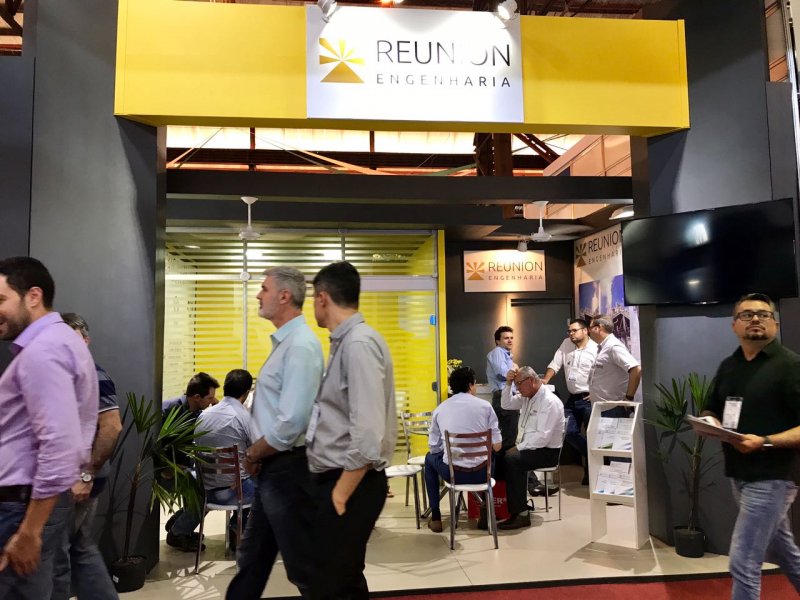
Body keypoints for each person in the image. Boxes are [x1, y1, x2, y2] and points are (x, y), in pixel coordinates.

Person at [0, 257, 97, 599]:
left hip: (21, 507)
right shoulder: (60, 341)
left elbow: (58, 444)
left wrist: (29, 531)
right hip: (31, 503)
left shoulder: (43, 351)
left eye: (1, 299)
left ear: (33, 296)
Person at [226, 267, 323, 600]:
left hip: (288, 470)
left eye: (264, 289)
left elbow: (292, 421)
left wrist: (255, 452)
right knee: (252, 560)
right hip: (275, 469)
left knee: (305, 568)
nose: (258, 295)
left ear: (284, 296)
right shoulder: (287, 344)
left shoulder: (301, 346)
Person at [306, 261, 396, 599]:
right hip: (341, 478)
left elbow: (368, 431)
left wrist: (340, 494)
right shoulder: (346, 342)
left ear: (323, 298)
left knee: (334, 583)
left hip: (351, 482)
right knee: (341, 580)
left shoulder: (358, 344)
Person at [702, 293, 800, 599]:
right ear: (734, 325)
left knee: (743, 561)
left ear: (775, 324)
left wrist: (765, 442)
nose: (755, 319)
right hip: (739, 474)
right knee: (784, 552)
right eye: (747, 315)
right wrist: (711, 423)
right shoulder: (729, 366)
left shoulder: (791, 366)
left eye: (763, 314)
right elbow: (710, 407)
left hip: (774, 476)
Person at [51, 313, 122, 600]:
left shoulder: (93, 374)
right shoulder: (66, 375)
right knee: (79, 547)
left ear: (86, 340)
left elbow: (112, 427)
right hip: (68, 478)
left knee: (58, 554)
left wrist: (86, 474)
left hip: (78, 479)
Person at [424, 366, 502, 533]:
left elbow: (433, 448)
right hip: (482, 474)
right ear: (470, 385)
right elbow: (497, 445)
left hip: (454, 475)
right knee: (493, 456)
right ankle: (485, 510)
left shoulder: (440, 409)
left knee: (429, 459)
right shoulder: (486, 406)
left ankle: (436, 517)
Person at [193, 369, 258, 552]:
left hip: (206, 490)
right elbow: (256, 451)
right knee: (263, 483)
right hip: (235, 492)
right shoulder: (244, 417)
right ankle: (239, 528)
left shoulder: (203, 415)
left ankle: (237, 527)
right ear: (246, 393)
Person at [498, 366, 564, 530]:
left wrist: (518, 448)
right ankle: (503, 506)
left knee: (512, 460)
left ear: (532, 380)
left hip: (547, 452)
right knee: (498, 454)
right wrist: (508, 383)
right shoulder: (527, 398)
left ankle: (520, 514)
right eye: (515, 384)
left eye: (519, 383)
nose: (517, 388)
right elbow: (506, 404)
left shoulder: (549, 401)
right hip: (531, 447)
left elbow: (542, 438)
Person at [162, 372, 219, 552]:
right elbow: (153, 442)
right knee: (207, 495)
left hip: (185, 467)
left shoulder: (197, 413)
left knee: (210, 488)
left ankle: (179, 523)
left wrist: (217, 409)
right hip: (165, 470)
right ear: (196, 397)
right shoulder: (169, 409)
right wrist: (166, 467)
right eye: (210, 397)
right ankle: (178, 532)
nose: (212, 401)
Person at [542, 318, 598, 486]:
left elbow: (604, 373)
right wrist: (545, 380)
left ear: (585, 331)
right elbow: (555, 364)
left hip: (589, 399)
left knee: (594, 437)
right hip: (573, 398)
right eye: (569, 331)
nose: (571, 334)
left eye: (574, 330)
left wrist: (596, 392)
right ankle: (590, 455)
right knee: (567, 431)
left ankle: (592, 474)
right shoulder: (566, 344)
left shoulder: (596, 348)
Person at [587, 315, 641, 411]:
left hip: (613, 408)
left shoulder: (613, 347)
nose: (589, 331)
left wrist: (629, 398)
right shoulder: (602, 347)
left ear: (599, 328)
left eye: (590, 328)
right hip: (602, 406)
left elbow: (636, 369)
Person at [486, 326, 519, 451]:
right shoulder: (498, 352)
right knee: (507, 439)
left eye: (511, 338)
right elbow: (504, 373)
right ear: (497, 341)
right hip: (503, 396)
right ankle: (504, 463)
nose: (510, 340)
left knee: (507, 436)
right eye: (506, 338)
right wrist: (516, 368)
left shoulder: (506, 355)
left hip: (505, 395)